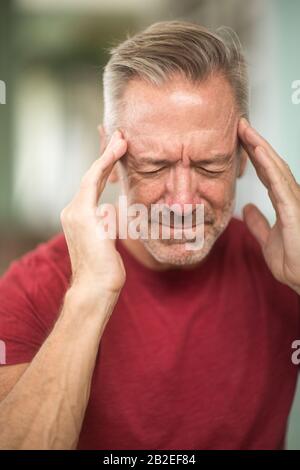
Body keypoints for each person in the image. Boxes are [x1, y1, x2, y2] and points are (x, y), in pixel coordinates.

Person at [0, 20, 299, 450]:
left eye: (210, 166)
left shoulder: (284, 264)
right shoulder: (30, 289)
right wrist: (90, 296)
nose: (181, 202)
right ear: (109, 155)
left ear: (243, 158)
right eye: (155, 166)